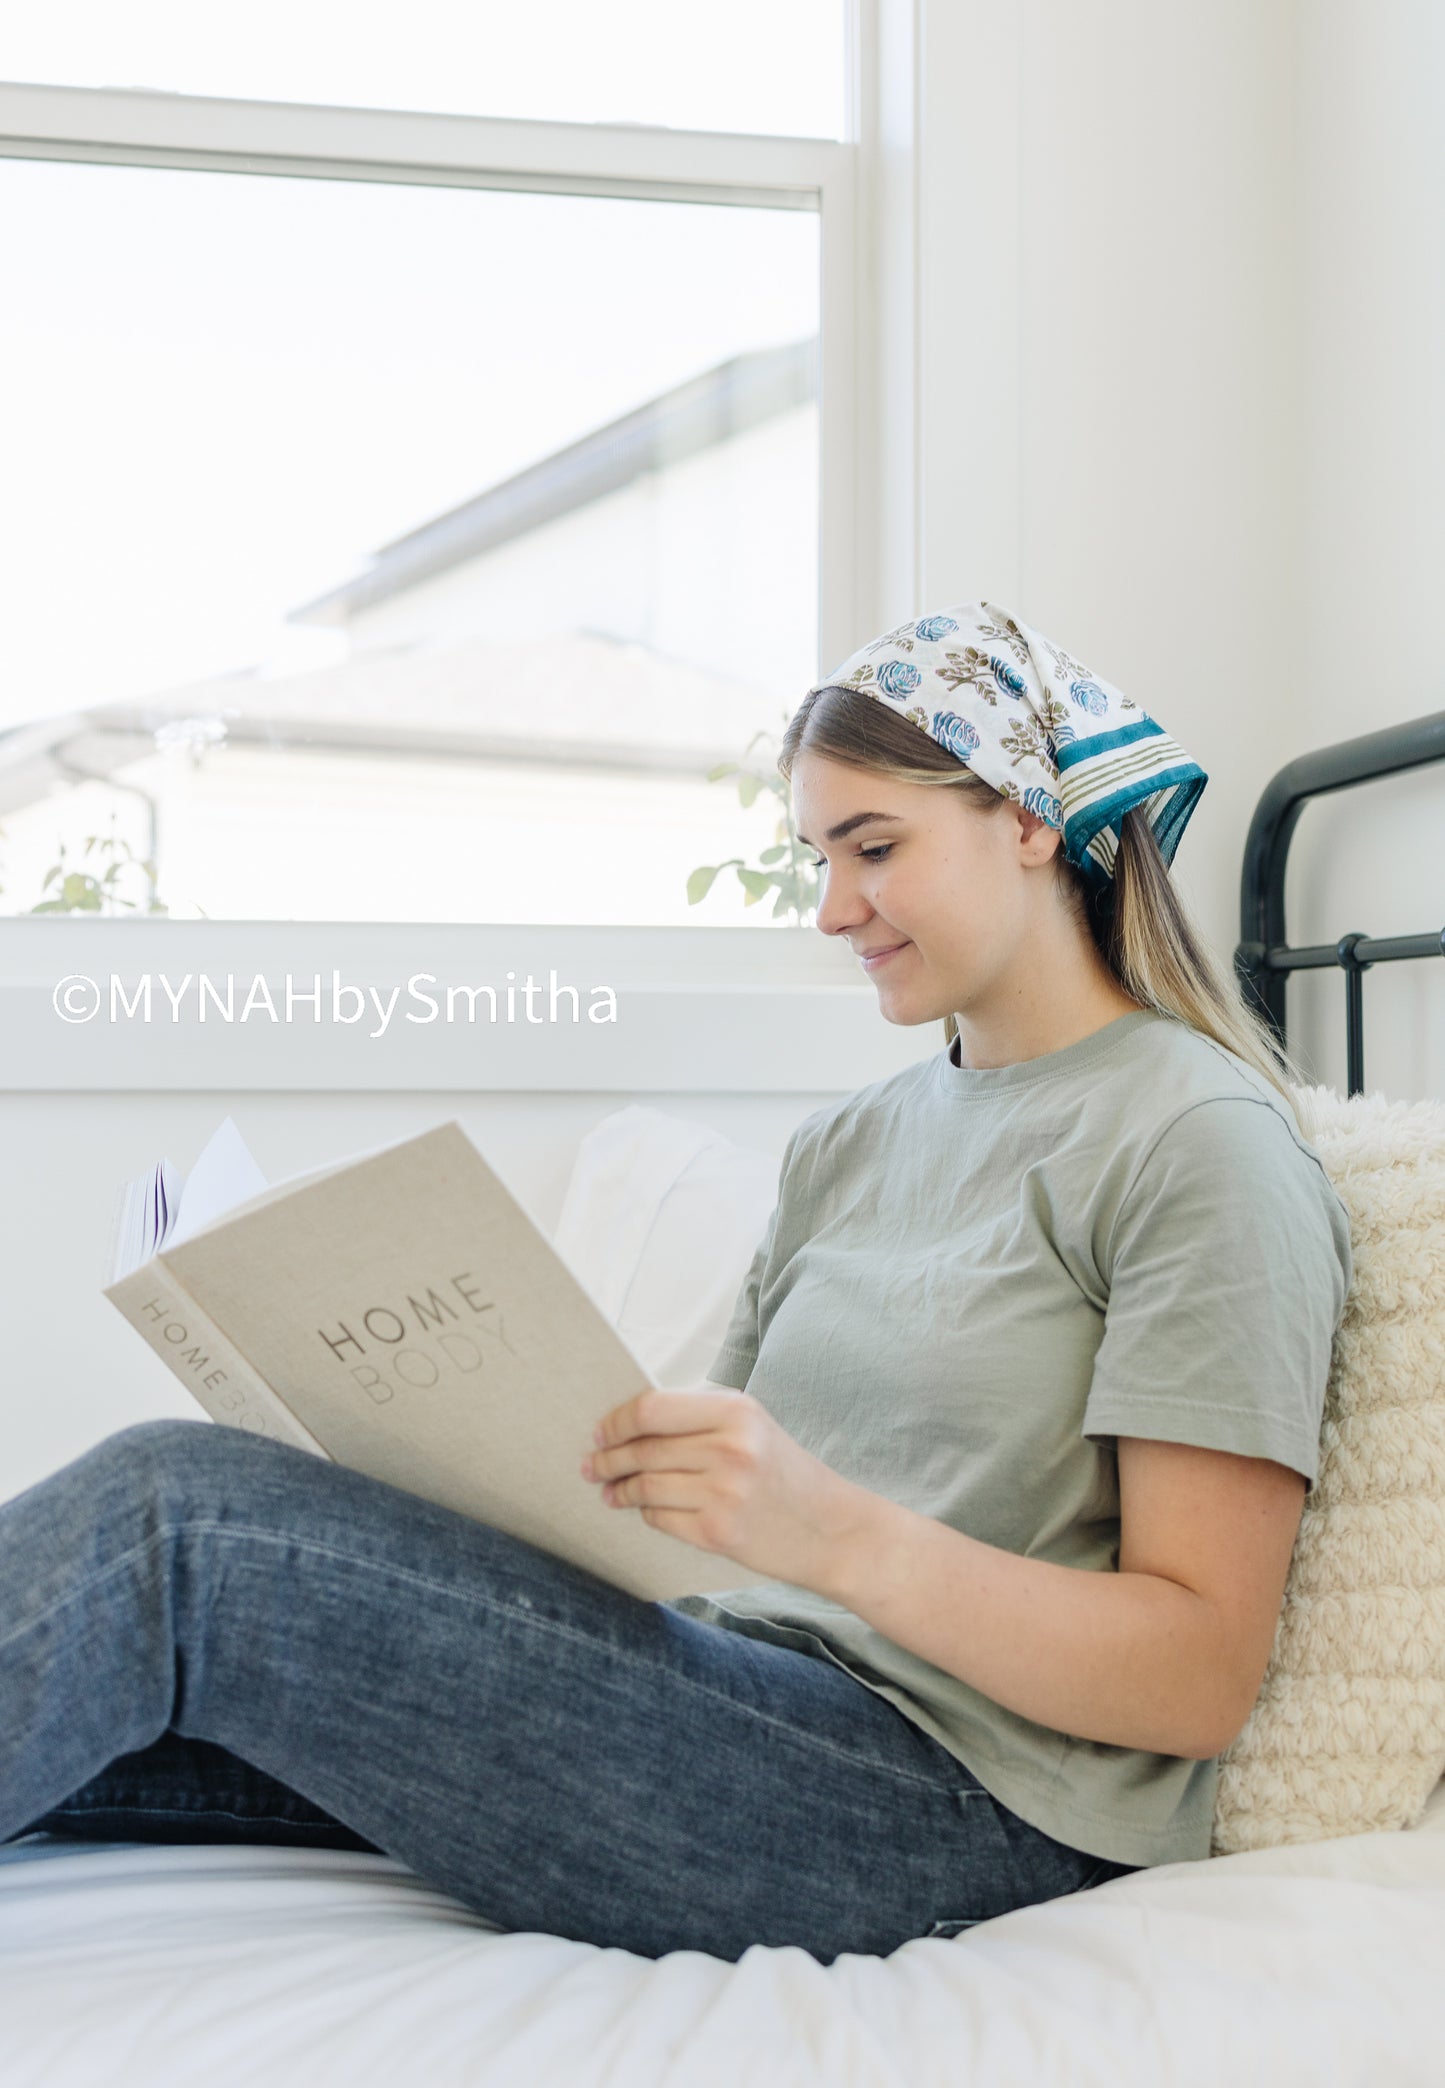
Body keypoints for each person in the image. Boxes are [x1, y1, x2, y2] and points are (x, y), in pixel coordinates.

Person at [0, 600, 1352, 1965]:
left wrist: (834, 1536)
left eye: (873, 848)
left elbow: (1197, 1677)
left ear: (1030, 821)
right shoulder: (852, 1141)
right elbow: (710, 1526)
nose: (834, 910)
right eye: (818, 858)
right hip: (727, 1691)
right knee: (127, 1669)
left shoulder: (1195, 1143)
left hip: (942, 1798)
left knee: (171, 1523)